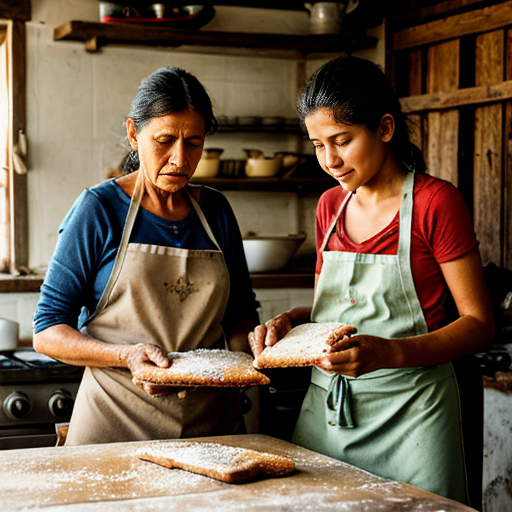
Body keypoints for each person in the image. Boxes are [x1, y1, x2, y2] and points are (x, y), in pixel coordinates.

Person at [248, 55, 494, 505]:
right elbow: (333, 314)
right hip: (330, 411)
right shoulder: (329, 206)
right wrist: (291, 324)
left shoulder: (435, 203)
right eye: (318, 145)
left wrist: (390, 351)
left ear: (384, 128)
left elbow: (479, 322)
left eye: (342, 140)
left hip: (415, 415)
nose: (330, 160)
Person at [33, 66, 259, 446]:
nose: (179, 159)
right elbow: (48, 331)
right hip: (115, 423)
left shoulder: (216, 210)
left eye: (194, 143)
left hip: (213, 429)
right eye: (165, 140)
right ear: (134, 135)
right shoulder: (98, 209)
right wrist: (128, 355)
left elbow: (240, 313)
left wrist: (244, 363)